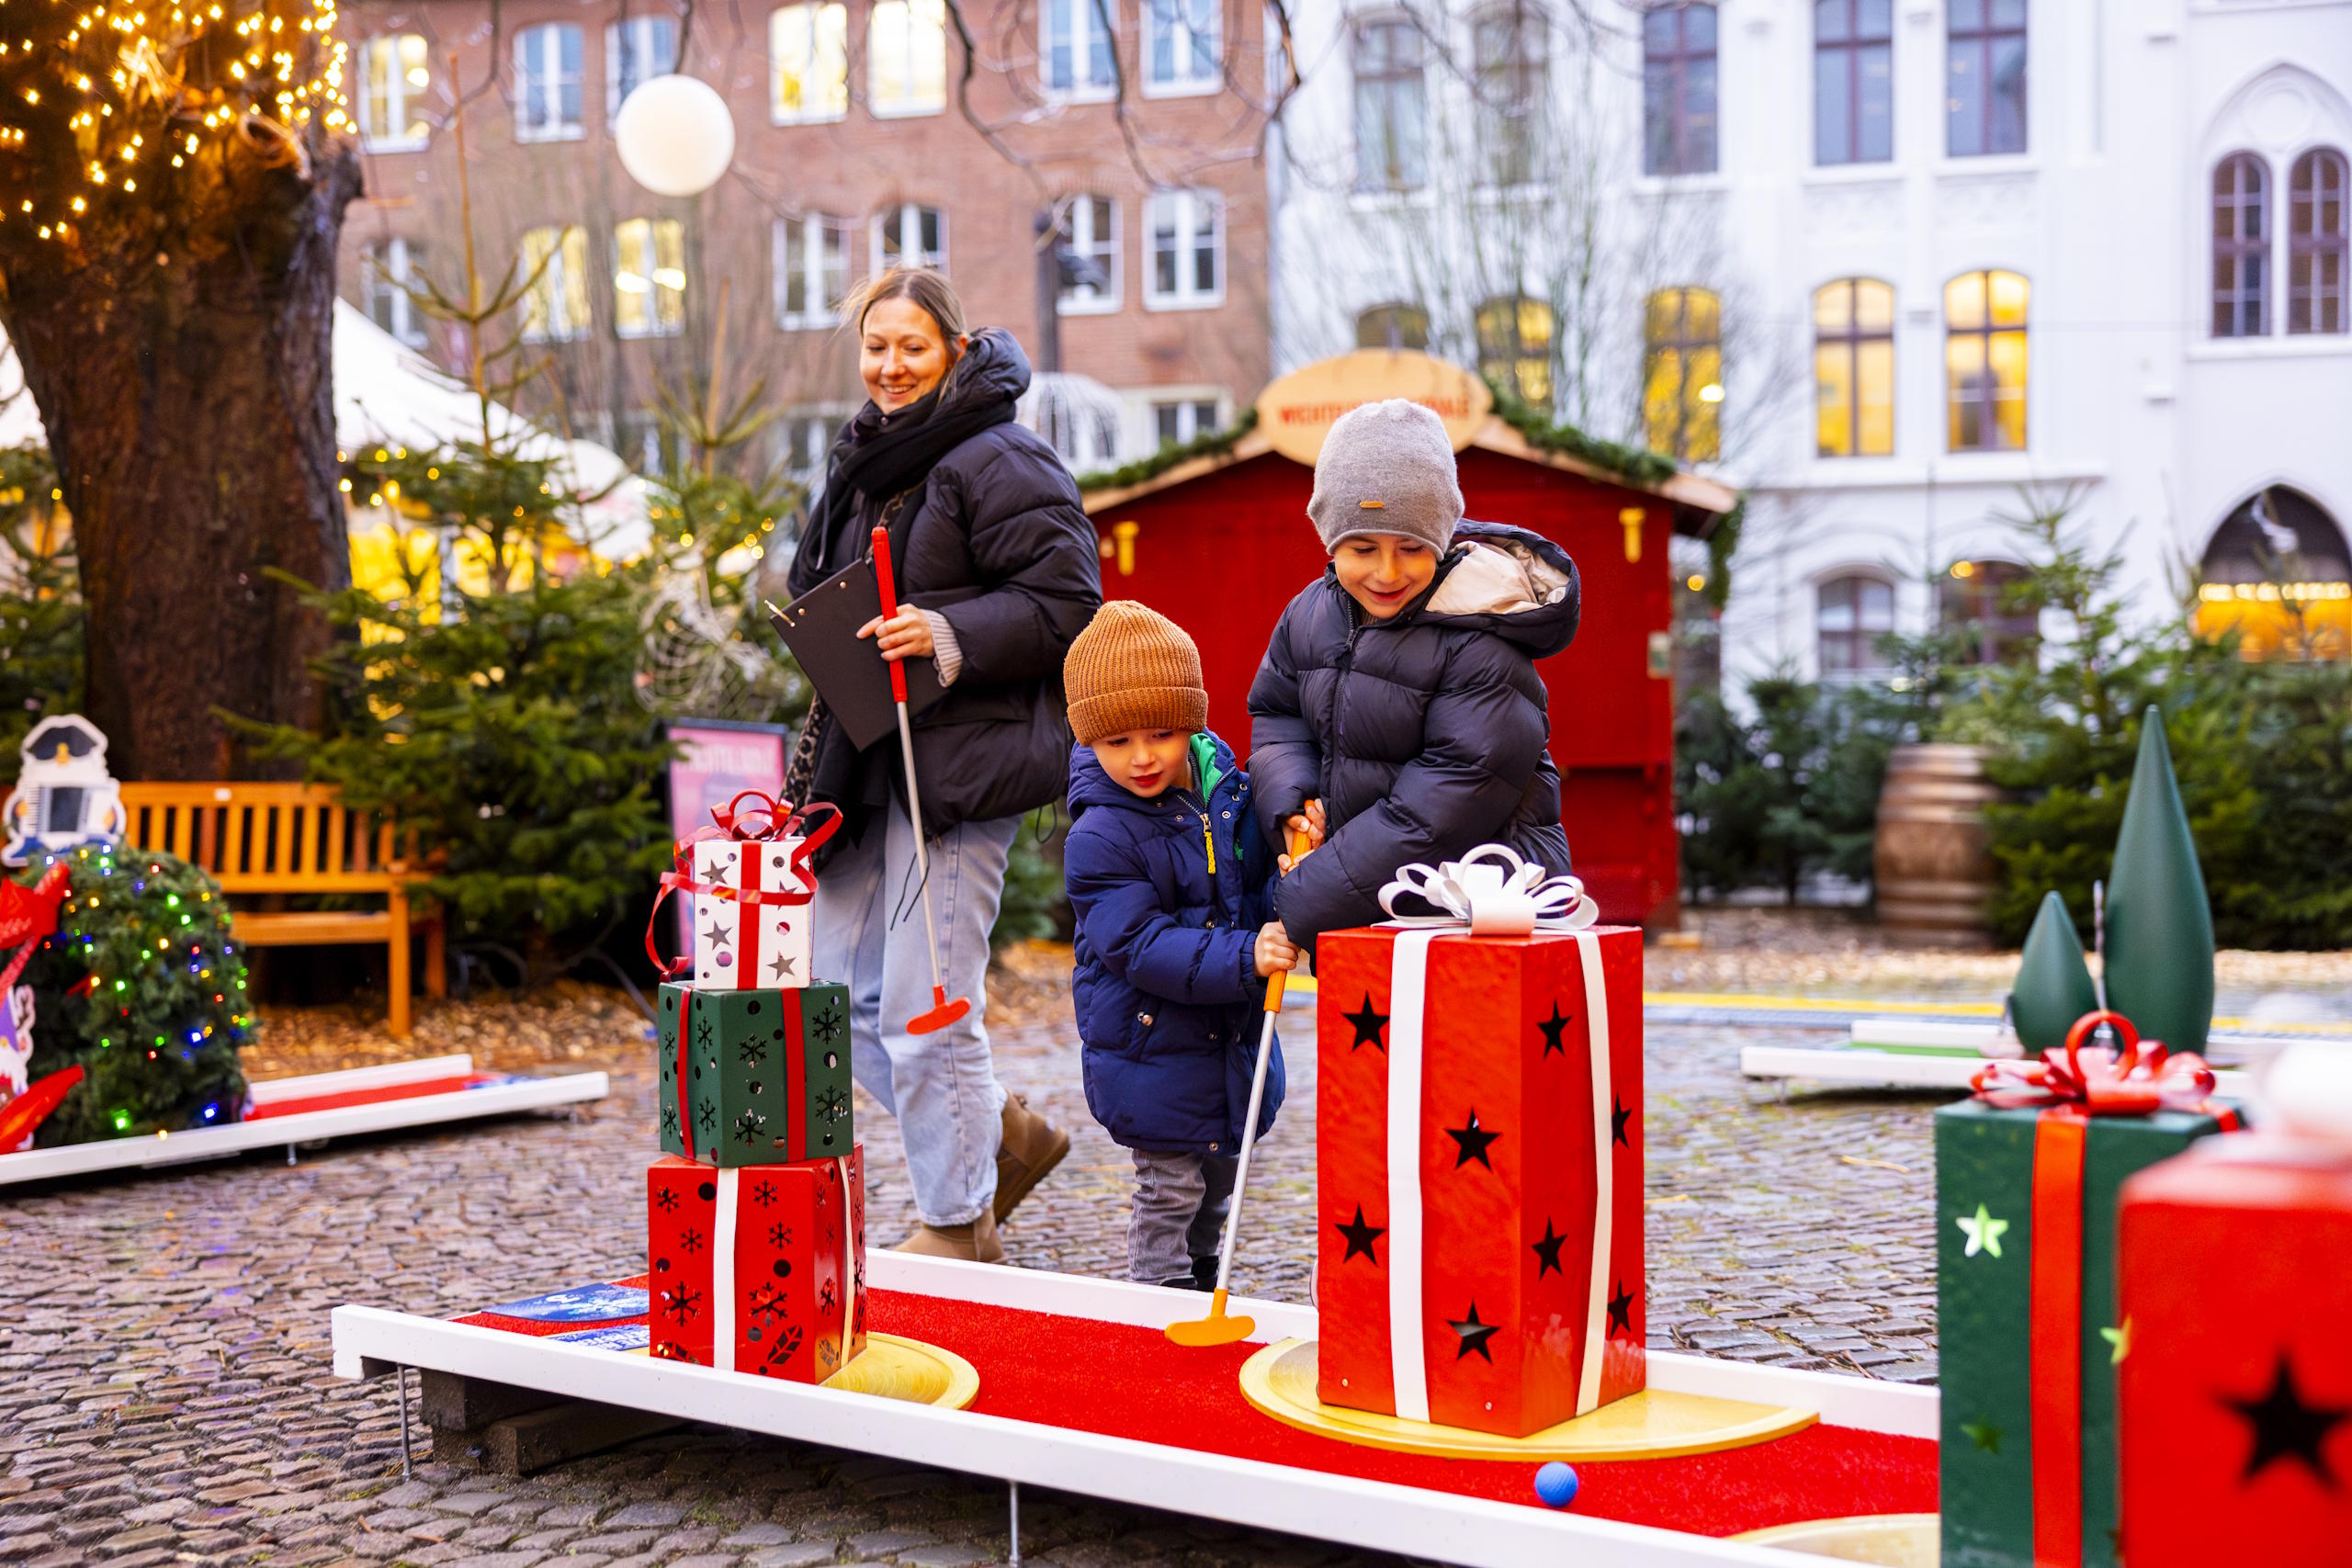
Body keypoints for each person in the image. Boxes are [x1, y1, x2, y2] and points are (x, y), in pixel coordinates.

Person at [782, 268, 1101, 1262]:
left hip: (957, 776)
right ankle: (998, 1133)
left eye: (910, 346)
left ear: (955, 352)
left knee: (927, 1008)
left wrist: (950, 629)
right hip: (862, 765)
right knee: (828, 1002)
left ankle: (959, 1225)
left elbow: (1071, 606)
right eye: (876, 347)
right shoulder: (863, 463)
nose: (889, 366)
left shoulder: (1004, 457)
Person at [1248, 398, 1581, 945]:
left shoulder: (1480, 636)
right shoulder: (1308, 615)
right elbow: (1279, 714)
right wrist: (1291, 804)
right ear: (1328, 541)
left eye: (1411, 547)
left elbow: (1451, 797)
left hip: (1476, 915)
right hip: (1366, 910)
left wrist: (1310, 893)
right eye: (1361, 547)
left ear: (1442, 538)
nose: (1387, 572)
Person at [1059, 602, 1297, 1289]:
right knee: (1169, 1187)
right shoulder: (1099, 835)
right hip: (1150, 1046)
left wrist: (1289, 874)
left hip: (1229, 1038)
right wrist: (1245, 955)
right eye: (1117, 741)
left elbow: (1254, 886)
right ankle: (1155, 1293)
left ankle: (1199, 1273)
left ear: (1190, 721)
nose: (1141, 757)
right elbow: (1137, 944)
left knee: (1220, 1176)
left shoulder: (1229, 795)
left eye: (1161, 733)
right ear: (1090, 740)